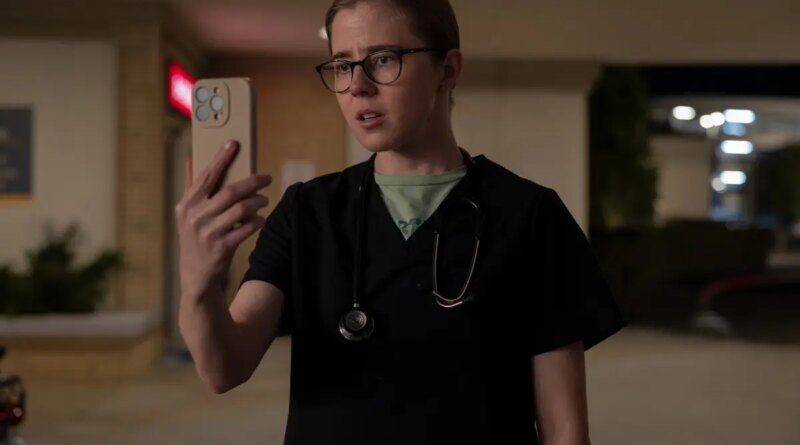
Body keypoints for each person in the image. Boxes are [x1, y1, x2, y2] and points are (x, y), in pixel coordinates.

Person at [175, 0, 626, 444]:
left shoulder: (530, 216)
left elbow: (565, 429)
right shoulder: (308, 212)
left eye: (384, 59)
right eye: (343, 65)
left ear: (448, 69)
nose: (358, 86)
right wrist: (199, 284)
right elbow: (222, 369)